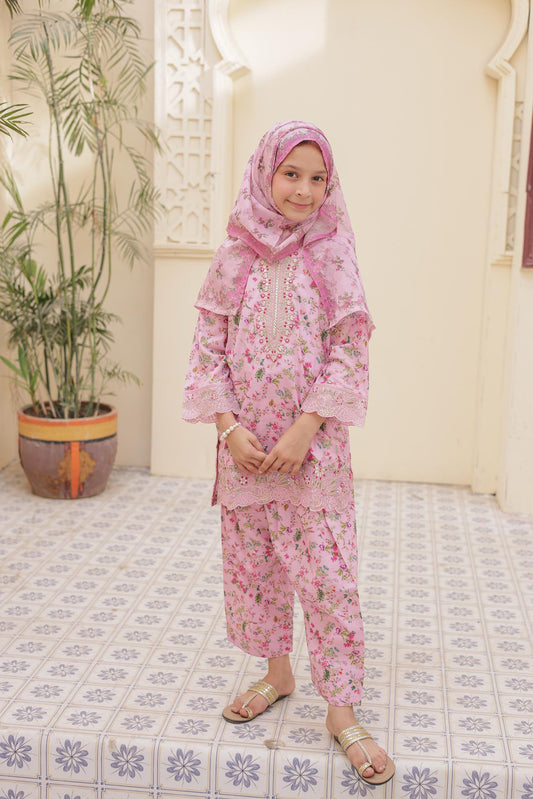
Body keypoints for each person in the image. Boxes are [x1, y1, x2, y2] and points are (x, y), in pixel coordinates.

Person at [182, 120, 394, 785]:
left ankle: (341, 708)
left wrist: (305, 430)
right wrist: (227, 429)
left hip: (314, 453)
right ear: (264, 173)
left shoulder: (332, 253)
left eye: (316, 178)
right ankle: (277, 672)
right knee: (256, 569)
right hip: (243, 453)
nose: (303, 190)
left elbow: (349, 351)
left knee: (327, 577)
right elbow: (206, 349)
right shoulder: (232, 256)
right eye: (290, 174)